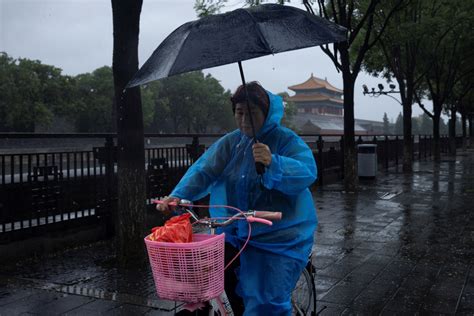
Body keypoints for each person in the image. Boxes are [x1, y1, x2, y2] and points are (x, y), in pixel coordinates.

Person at [157, 81, 318, 315]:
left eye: (251, 114)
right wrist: (177, 196)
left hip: (279, 235)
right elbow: (204, 171)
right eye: (239, 113)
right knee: (205, 279)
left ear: (266, 113)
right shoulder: (232, 143)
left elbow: (307, 171)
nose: (244, 120)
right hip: (235, 231)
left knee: (266, 302)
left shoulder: (285, 140)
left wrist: (274, 161)